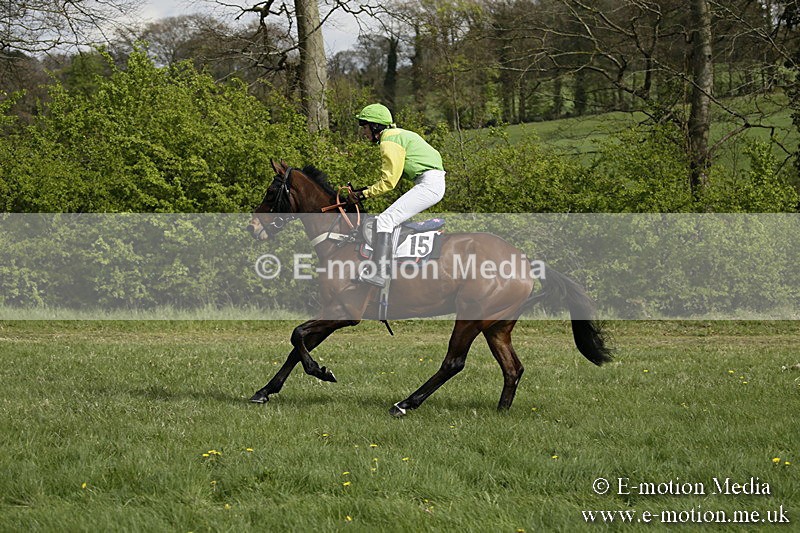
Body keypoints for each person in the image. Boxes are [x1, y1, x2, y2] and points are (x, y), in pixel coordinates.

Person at [352, 103, 446, 288]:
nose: (364, 133)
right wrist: (363, 190)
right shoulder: (399, 134)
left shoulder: (389, 141)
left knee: (385, 220)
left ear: (375, 126)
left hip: (429, 183)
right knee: (389, 218)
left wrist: (363, 195)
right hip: (431, 181)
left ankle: (380, 273)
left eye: (365, 127)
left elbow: (389, 182)